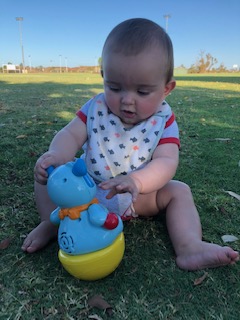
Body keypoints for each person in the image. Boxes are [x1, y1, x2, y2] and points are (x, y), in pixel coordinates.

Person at [22, 18, 239, 270]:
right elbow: (71, 134)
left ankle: (189, 246)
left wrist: (137, 182)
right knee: (49, 172)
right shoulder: (96, 108)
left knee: (179, 191)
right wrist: (57, 154)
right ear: (104, 77)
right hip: (85, 192)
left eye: (142, 92)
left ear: (166, 89)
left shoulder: (163, 120)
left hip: (138, 197)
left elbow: (166, 161)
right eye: (114, 87)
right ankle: (51, 223)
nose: (127, 100)